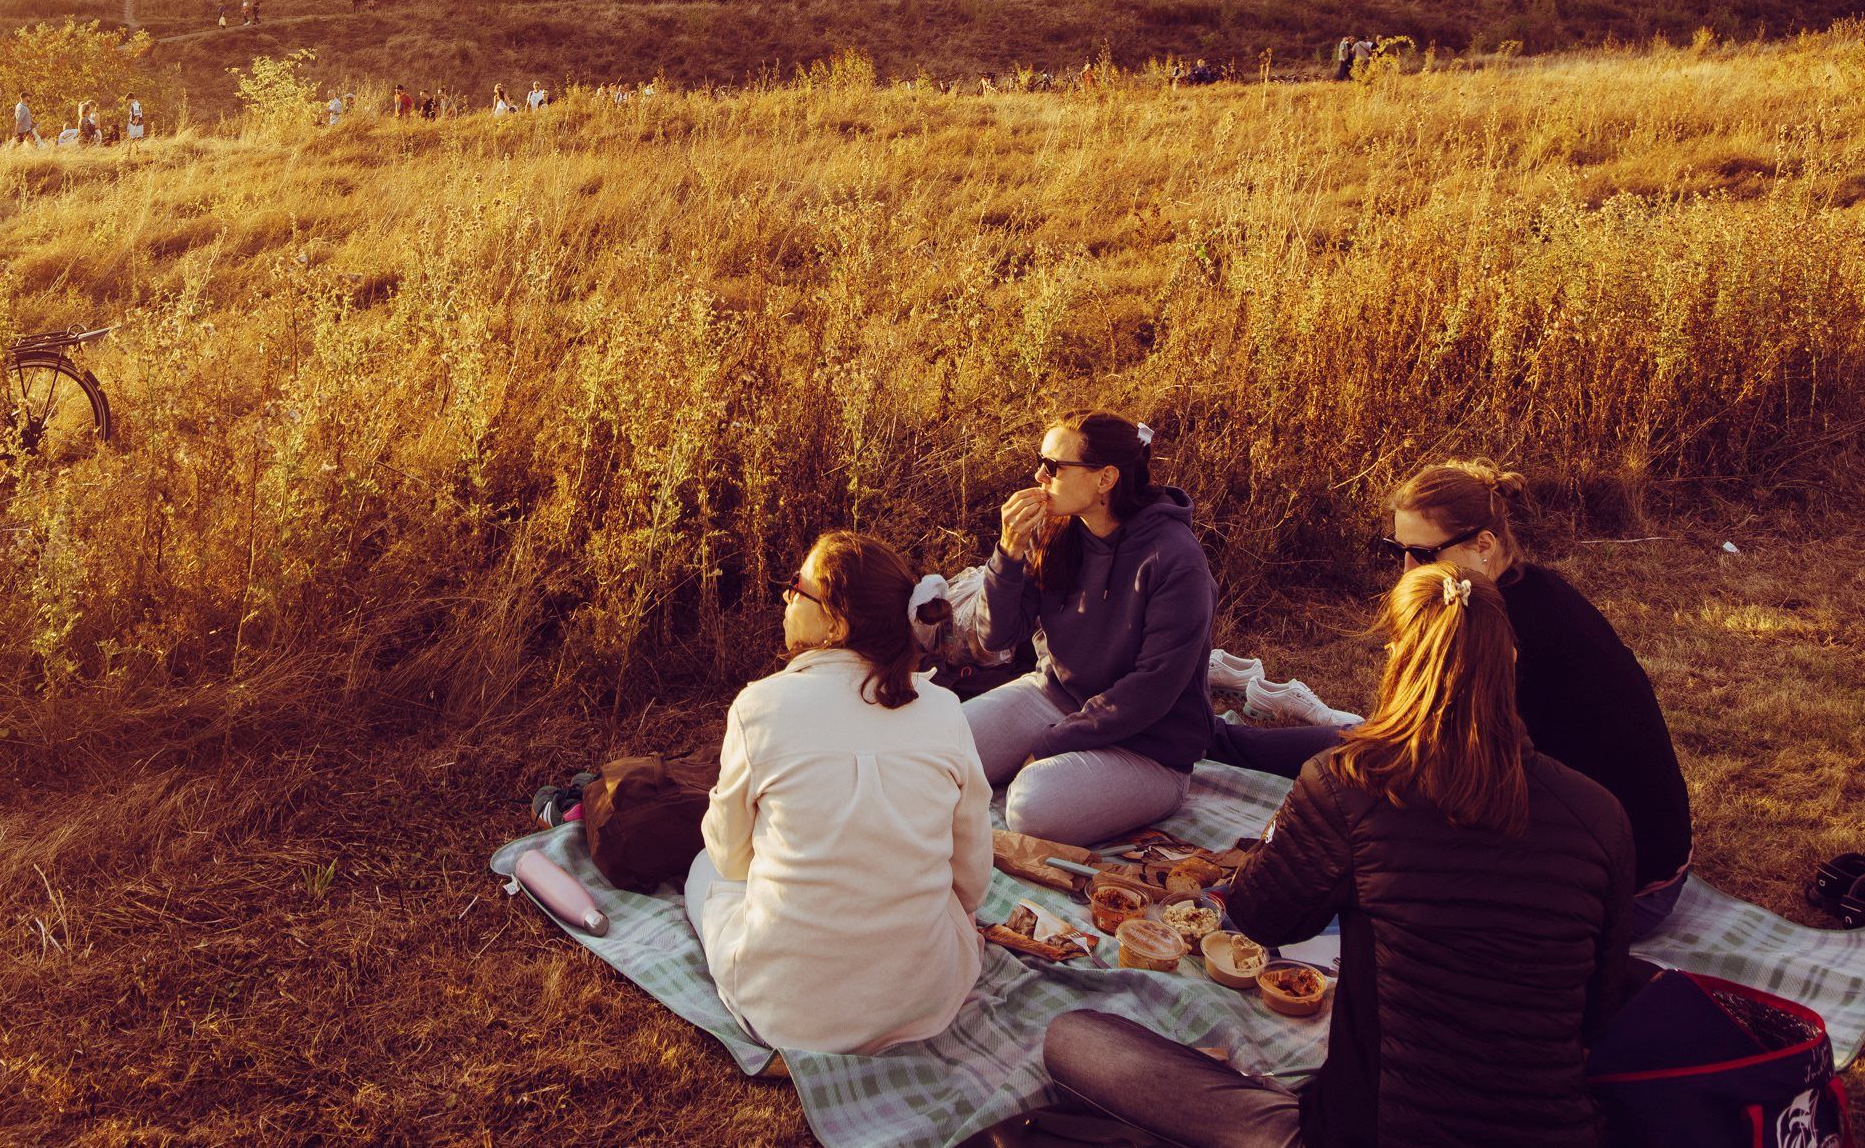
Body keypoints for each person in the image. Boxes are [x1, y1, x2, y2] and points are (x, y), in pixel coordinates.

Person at [1043, 561, 1642, 1148]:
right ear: (1510, 664)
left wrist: (1298, 831)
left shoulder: (1348, 785)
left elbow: (1258, 917)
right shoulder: (1600, 815)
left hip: (1364, 1131)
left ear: (1397, 664)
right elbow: (1602, 1009)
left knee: (1073, 1040)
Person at [1209, 461, 1694, 938]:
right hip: (1585, 834)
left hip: (1618, 889)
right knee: (1360, 746)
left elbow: (1439, 779)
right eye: (1396, 550)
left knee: (1369, 816)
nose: (1405, 569)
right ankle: (1215, 738)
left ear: (1483, 544)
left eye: (1422, 554)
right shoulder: (1522, 589)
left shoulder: (1501, 635)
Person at [685, 531, 990, 1055]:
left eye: (795, 587)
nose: (785, 597)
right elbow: (972, 884)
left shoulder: (759, 707)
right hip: (925, 999)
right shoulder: (944, 712)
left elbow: (733, 863)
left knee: (701, 869)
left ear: (837, 622)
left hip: (786, 1010)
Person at [962, 412, 1214, 843]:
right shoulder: (1059, 531)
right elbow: (996, 638)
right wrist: (1008, 552)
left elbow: (1150, 692)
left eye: (1055, 466)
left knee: (1028, 805)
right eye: (1040, 460)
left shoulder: (1176, 560)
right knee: (937, 751)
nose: (1039, 475)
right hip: (1056, 697)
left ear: (1105, 479)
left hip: (1147, 746)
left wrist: (1049, 746)